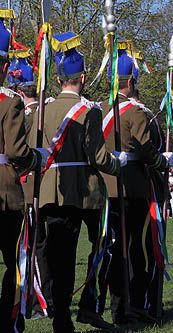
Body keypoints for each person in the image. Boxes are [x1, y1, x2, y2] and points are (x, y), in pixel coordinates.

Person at [38, 31, 124, 332]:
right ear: (83, 78)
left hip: (51, 189)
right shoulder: (89, 110)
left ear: (60, 78)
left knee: (60, 257)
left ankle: (61, 316)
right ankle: (89, 305)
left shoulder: (43, 109)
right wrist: (119, 163)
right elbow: (99, 157)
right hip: (85, 193)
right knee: (103, 245)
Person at [96, 39, 173, 324]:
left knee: (112, 249)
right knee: (137, 250)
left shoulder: (99, 110)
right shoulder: (137, 112)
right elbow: (144, 149)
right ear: (131, 81)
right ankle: (136, 304)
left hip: (105, 191)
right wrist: (164, 161)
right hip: (133, 190)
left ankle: (113, 306)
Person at [0, 10, 44, 331]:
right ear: (4, 65)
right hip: (5, 195)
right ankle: (9, 323)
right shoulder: (9, 101)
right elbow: (16, 152)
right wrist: (36, 158)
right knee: (15, 263)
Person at [7, 48, 54, 319]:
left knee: (32, 248)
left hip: (26, 184)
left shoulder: (26, 114)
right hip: (39, 183)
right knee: (36, 246)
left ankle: (35, 301)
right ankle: (38, 298)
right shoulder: (44, 111)